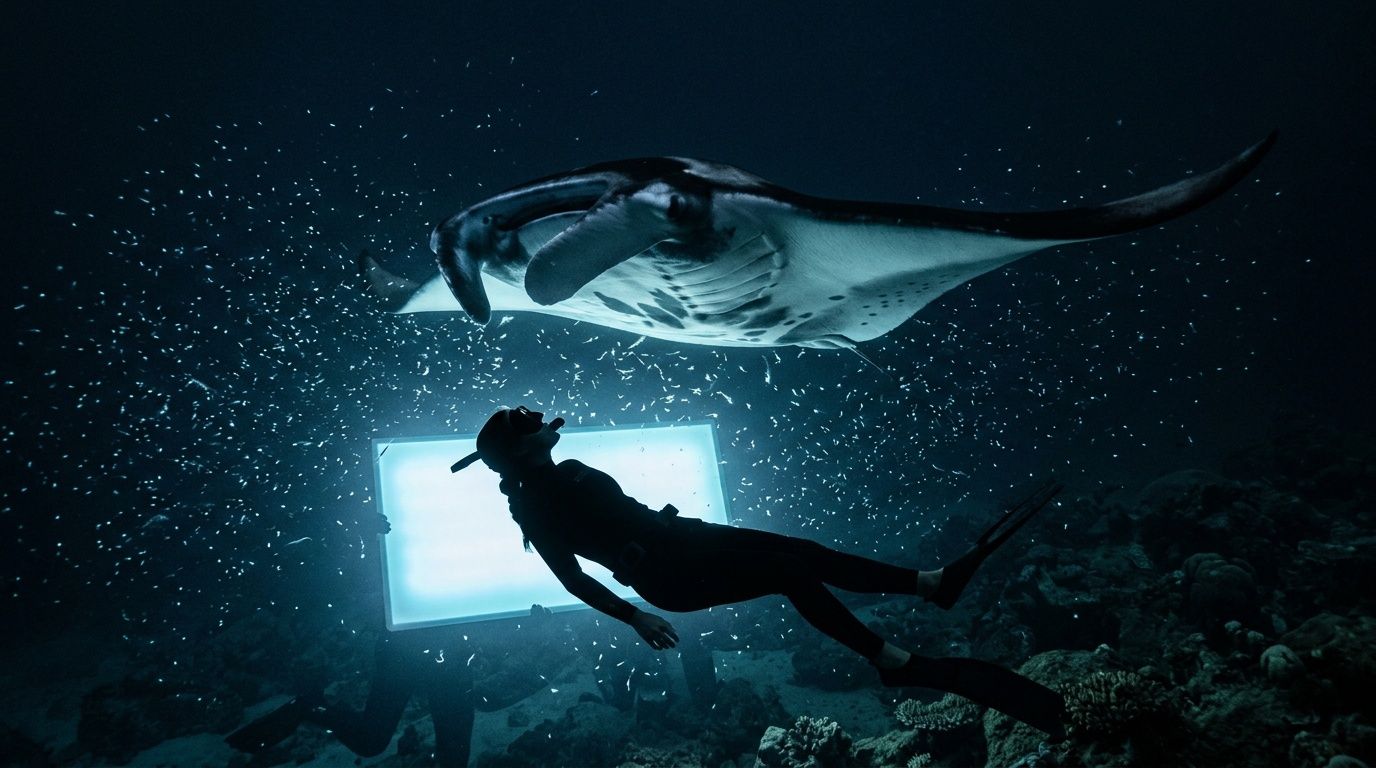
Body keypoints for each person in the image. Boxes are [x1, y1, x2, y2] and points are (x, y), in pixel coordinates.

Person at [462, 405, 1069, 738]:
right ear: (517, 452)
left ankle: (932, 584)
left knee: (799, 549)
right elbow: (571, 579)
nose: (538, 414)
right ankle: (888, 659)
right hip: (667, 575)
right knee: (785, 570)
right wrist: (635, 617)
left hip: (682, 536)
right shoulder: (535, 506)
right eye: (523, 420)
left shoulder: (566, 473)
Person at [224, 609, 550, 766]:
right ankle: (308, 707)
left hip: (451, 654)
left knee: (454, 754)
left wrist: (528, 614)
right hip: (403, 649)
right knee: (371, 741)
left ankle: (308, 707)